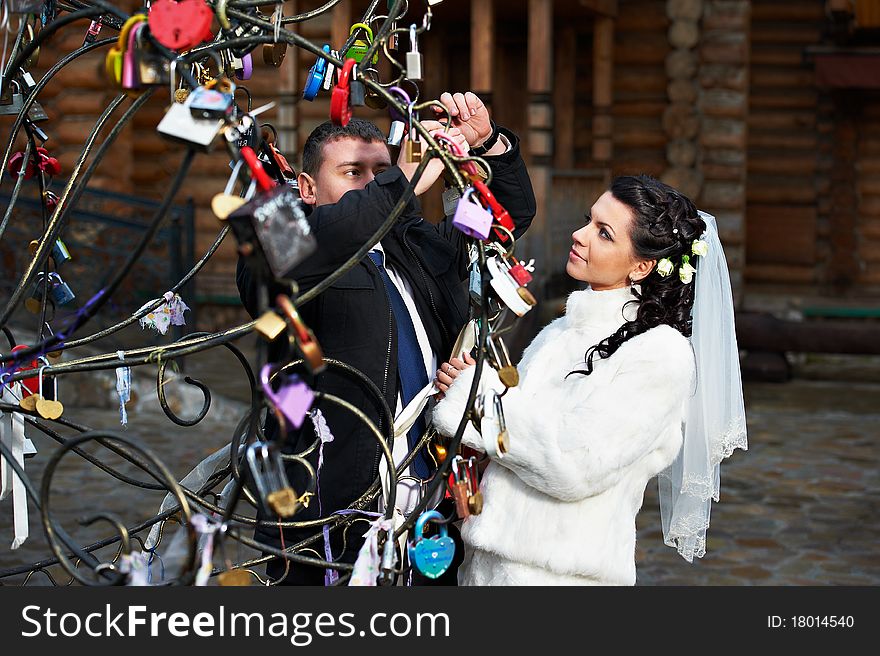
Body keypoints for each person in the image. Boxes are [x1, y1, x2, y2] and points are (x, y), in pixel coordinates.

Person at [237, 91, 536, 585]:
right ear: (308, 187)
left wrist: (491, 144)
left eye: (381, 171)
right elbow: (319, 242)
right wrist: (403, 179)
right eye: (354, 173)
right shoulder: (278, 238)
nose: (375, 185)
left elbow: (506, 223)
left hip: (429, 501)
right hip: (326, 508)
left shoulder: (413, 241)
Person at [432, 174, 747, 585]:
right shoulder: (560, 332)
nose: (579, 236)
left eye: (603, 233)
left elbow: (573, 464)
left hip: (558, 578)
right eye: (588, 220)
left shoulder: (660, 355)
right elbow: (514, 442)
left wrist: (479, 398)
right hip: (488, 566)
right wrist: (469, 385)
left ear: (642, 265)